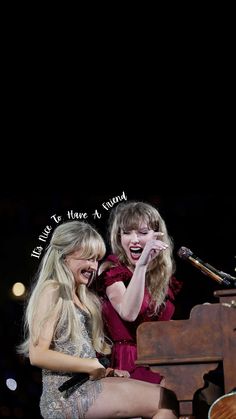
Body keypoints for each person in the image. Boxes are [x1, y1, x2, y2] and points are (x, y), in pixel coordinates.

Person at [17, 220, 178, 419]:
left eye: (96, 260)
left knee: (168, 398)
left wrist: (105, 371)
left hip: (86, 385)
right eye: (87, 258)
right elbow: (38, 355)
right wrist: (89, 365)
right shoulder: (52, 289)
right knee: (166, 401)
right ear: (64, 256)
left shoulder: (82, 296)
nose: (93, 266)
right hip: (66, 396)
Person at [97, 201, 182, 384]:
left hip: (159, 360)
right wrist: (141, 265)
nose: (134, 239)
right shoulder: (112, 269)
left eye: (142, 233)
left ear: (157, 236)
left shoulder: (160, 278)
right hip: (127, 363)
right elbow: (128, 312)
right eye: (126, 232)